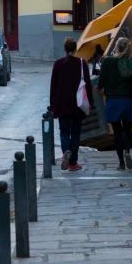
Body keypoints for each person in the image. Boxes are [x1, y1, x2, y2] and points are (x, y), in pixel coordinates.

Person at [50, 38, 93, 172]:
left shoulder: (58, 64)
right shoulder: (81, 63)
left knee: (64, 132)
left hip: (62, 104)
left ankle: (66, 152)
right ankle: (73, 163)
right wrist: (90, 103)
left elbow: (53, 86)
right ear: (75, 49)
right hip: (78, 105)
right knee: (75, 133)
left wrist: (53, 105)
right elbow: (88, 85)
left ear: (65, 49)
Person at [98, 37, 132, 171]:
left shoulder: (107, 61)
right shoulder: (130, 62)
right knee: (127, 130)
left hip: (113, 101)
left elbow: (102, 81)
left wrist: (99, 88)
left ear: (116, 47)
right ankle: (127, 151)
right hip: (127, 100)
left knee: (117, 133)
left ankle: (121, 163)